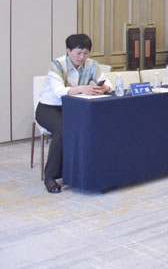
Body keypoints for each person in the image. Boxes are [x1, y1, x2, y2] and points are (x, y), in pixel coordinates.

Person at [36, 34, 112, 193]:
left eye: (85, 53)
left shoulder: (91, 65)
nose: (82, 57)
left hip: (75, 108)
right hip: (49, 108)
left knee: (96, 126)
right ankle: (50, 177)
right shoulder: (57, 65)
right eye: (78, 53)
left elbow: (107, 82)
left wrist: (104, 88)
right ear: (68, 51)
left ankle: (85, 172)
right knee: (63, 129)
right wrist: (81, 89)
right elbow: (58, 91)